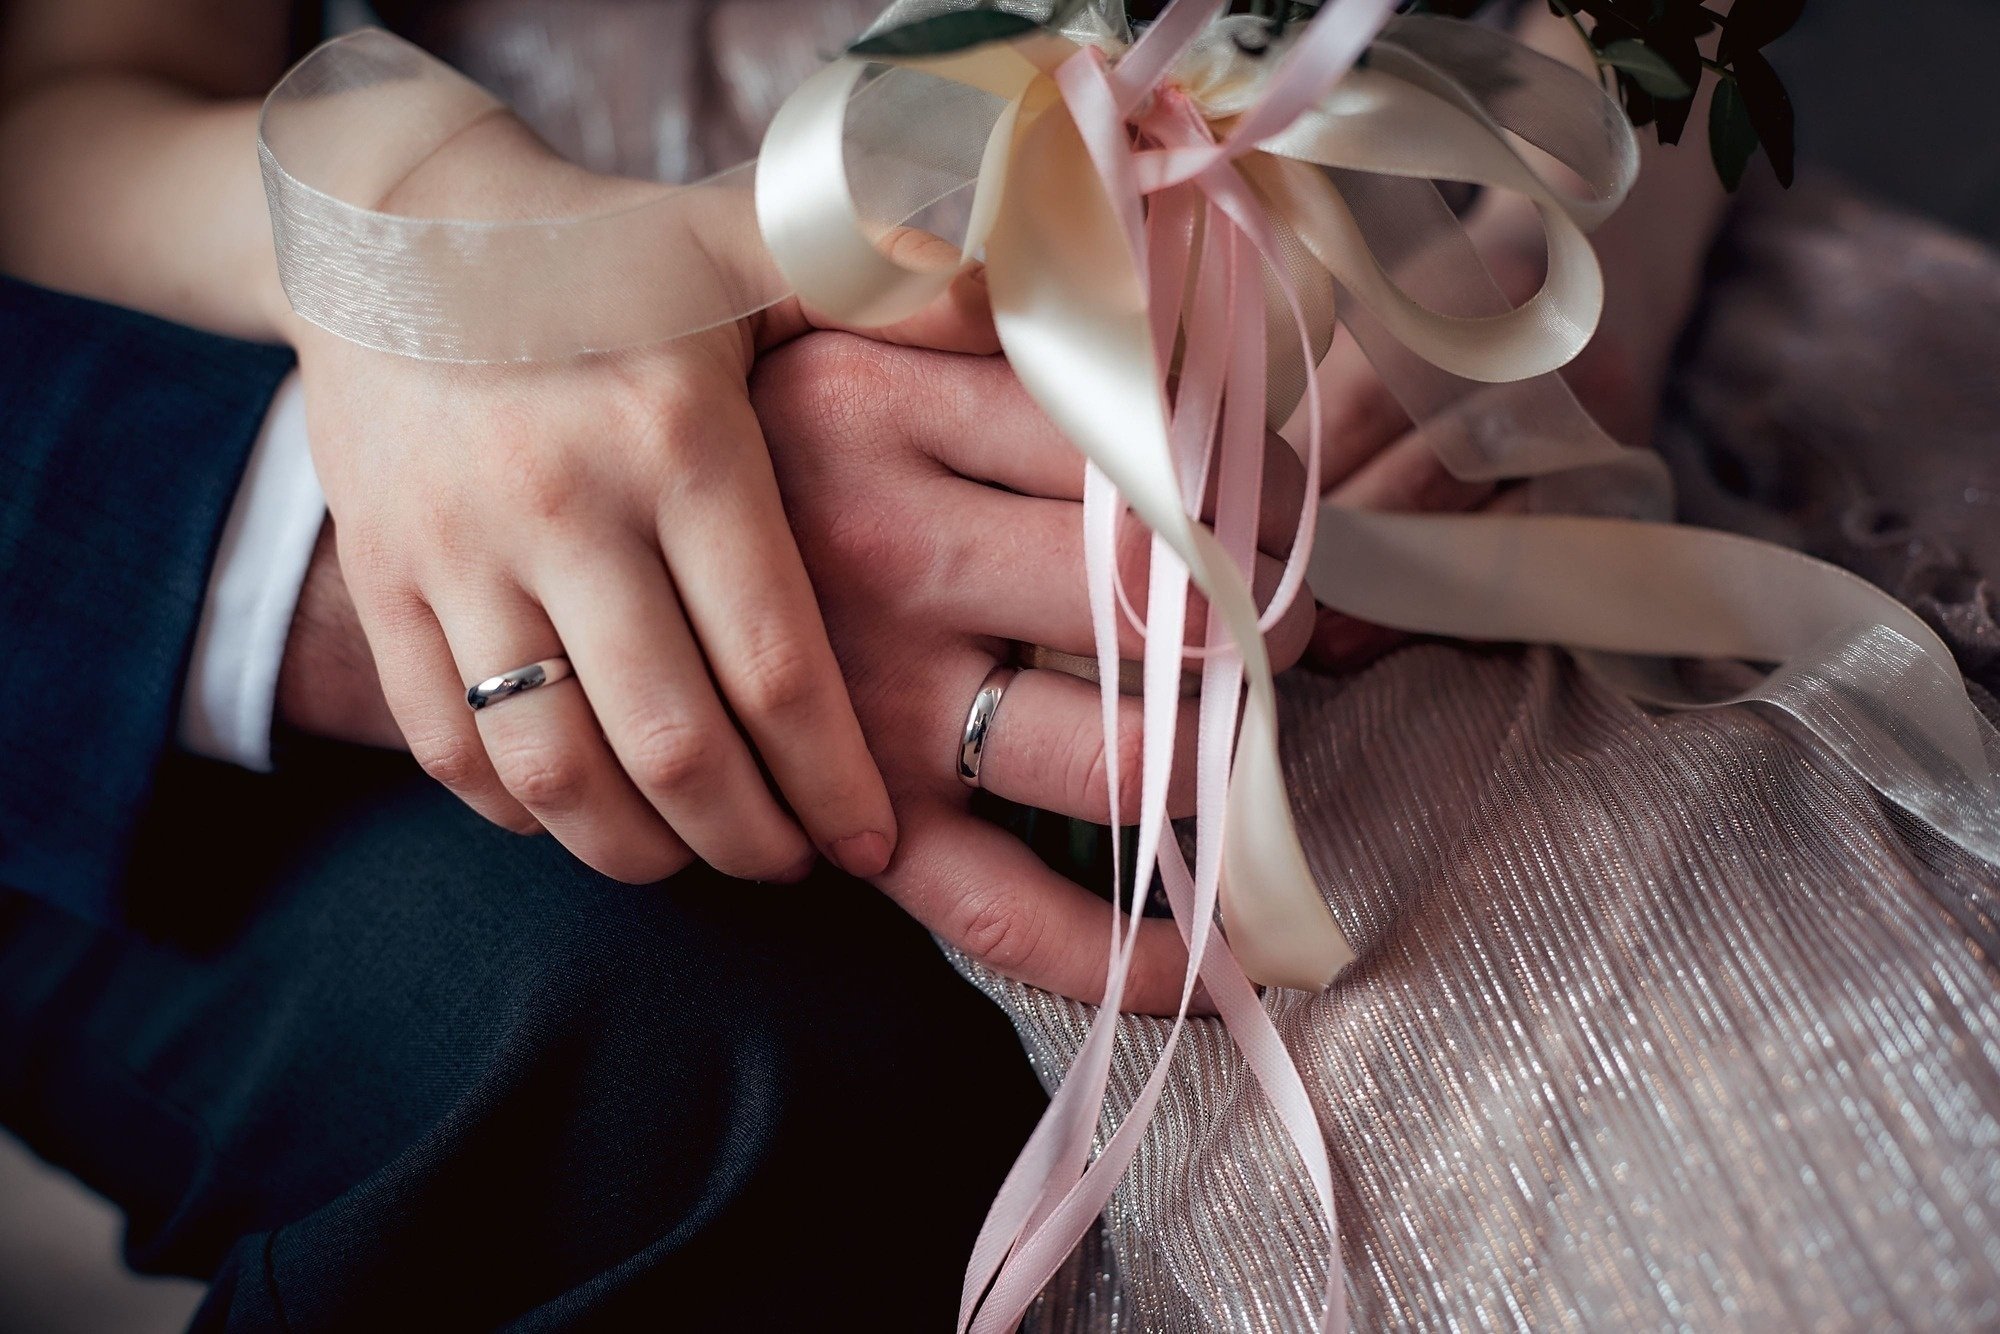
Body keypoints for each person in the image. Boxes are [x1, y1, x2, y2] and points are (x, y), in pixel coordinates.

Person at [0, 0, 1787, 1328]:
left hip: (1475, 352)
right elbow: (63, 108)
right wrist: (420, 242)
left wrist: (1568, 203)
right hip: (599, 297)